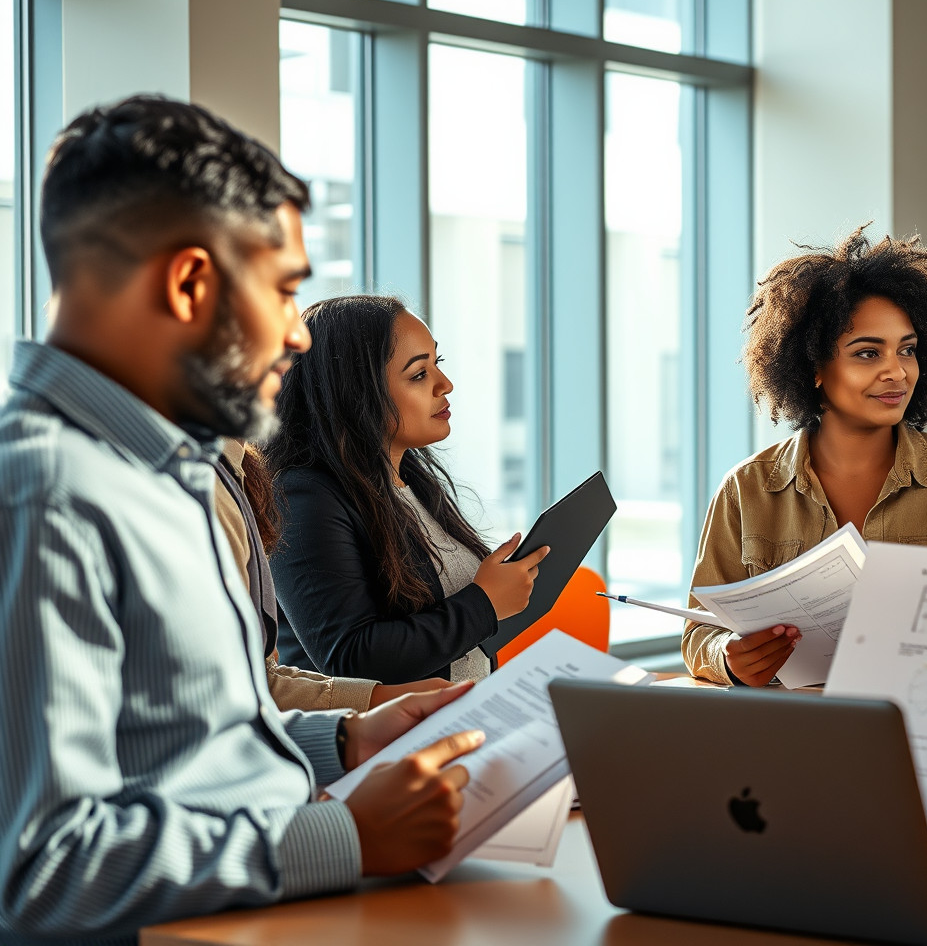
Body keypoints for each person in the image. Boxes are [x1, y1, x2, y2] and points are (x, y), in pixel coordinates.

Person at [0, 96, 485, 946]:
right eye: (285, 291)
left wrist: (345, 737)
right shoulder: (47, 495)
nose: (298, 336)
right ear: (189, 284)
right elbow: (40, 867)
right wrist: (344, 837)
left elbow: (179, 750)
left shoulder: (165, 473)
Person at [684, 226, 927, 687]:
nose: (897, 371)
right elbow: (700, 630)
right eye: (867, 353)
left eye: (907, 350)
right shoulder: (746, 489)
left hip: (919, 724)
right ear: (814, 368)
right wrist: (729, 657)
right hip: (790, 734)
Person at [265, 294, 548, 684]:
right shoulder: (303, 498)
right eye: (418, 374)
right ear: (356, 392)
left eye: (438, 364)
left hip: (460, 719)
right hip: (388, 737)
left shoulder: (409, 479)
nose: (444, 384)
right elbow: (350, 658)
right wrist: (484, 603)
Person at [214, 438, 451, 710]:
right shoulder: (298, 490)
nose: (447, 391)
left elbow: (259, 679)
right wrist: (485, 603)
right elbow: (347, 654)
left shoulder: (236, 471)